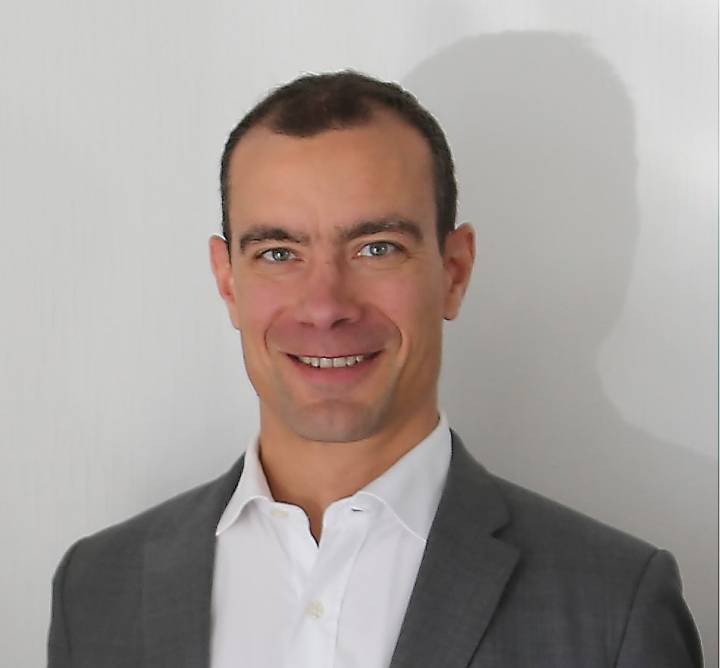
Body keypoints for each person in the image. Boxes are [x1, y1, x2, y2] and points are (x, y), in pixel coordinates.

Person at [47, 71, 703, 668]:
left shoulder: (613, 606)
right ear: (227, 281)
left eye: (376, 248)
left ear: (454, 272)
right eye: (278, 253)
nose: (325, 306)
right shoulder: (96, 588)